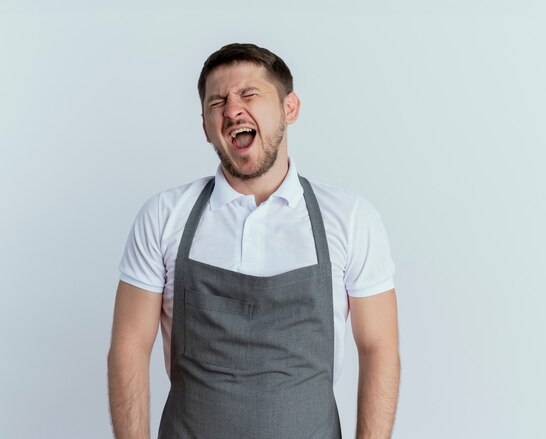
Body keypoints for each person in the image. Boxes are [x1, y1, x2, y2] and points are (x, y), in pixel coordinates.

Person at [108, 43, 400, 439]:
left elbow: (379, 349)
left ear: (289, 108)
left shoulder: (349, 218)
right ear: (206, 126)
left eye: (249, 94)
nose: (232, 110)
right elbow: (129, 348)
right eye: (217, 102)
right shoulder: (164, 216)